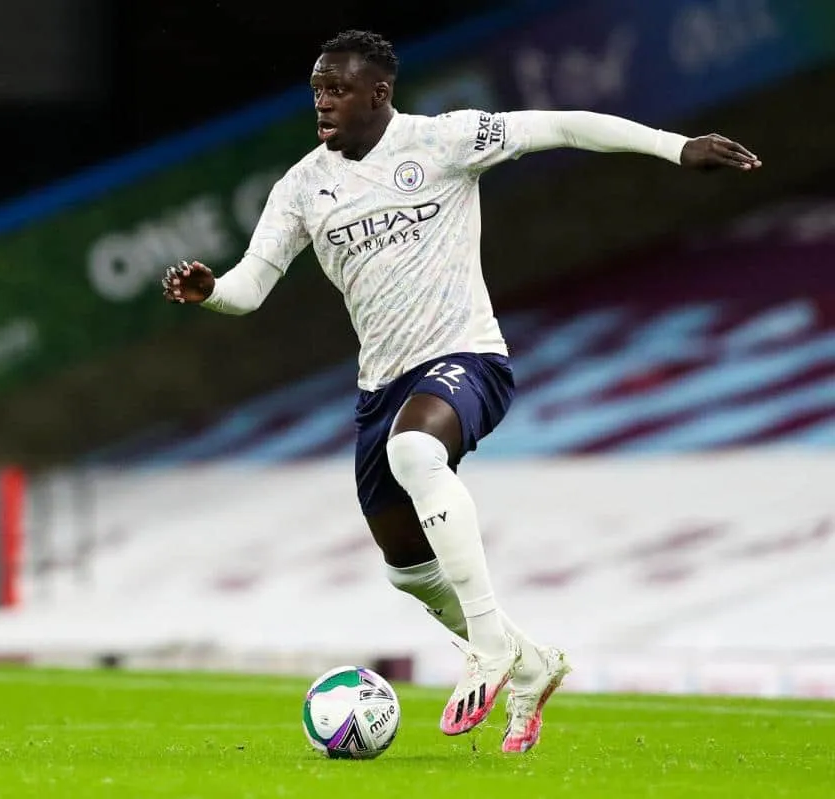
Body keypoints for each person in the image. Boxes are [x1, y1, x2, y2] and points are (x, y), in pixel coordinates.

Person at [162, 30, 761, 753]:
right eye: (318, 88)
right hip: (380, 385)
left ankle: (487, 649)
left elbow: (561, 124)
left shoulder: (443, 141)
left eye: (339, 89)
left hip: (466, 357)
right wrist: (212, 291)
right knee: (408, 571)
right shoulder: (301, 187)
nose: (322, 102)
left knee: (417, 450)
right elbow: (252, 287)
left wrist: (674, 146)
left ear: (379, 94)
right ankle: (532, 661)